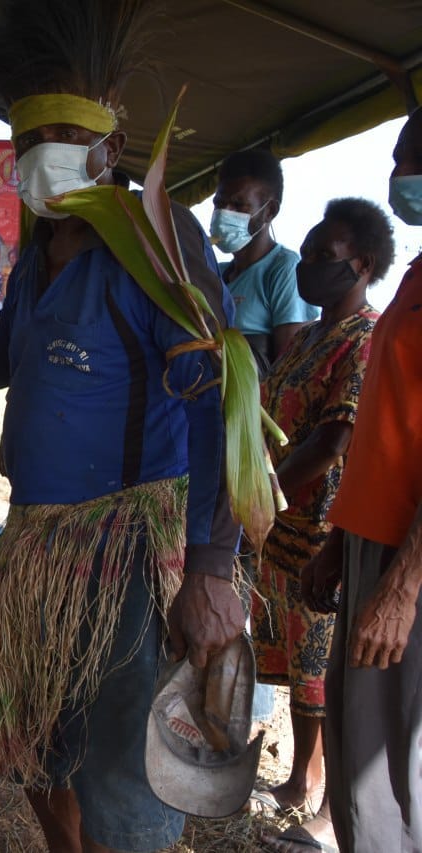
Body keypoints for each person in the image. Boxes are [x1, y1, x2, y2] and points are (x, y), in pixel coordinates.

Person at [0, 4, 243, 851]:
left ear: (113, 141)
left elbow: (216, 403)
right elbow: (4, 361)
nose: (51, 153)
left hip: (127, 550)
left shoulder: (154, 239)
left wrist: (211, 566)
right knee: (33, 746)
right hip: (37, 546)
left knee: (123, 775)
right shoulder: (37, 256)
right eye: (35, 137)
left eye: (70, 134)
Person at [248, 199, 393, 853]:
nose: (306, 265)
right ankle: (299, 780)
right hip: (281, 526)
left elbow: (335, 439)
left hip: (322, 530)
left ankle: (331, 804)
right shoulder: (307, 336)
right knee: (294, 665)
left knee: (324, 673)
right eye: (304, 252)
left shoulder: (365, 338)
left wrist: (269, 489)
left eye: (323, 256)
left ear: (362, 265)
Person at [302, 107, 422, 853]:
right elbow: (389, 431)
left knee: (392, 781)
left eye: (412, 158)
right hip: (369, 546)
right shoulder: (416, 277)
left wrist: (404, 587)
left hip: (407, 561)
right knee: (357, 763)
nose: (398, 175)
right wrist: (338, 544)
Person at [211, 148, 318, 375]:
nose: (224, 212)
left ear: (270, 211)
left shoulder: (284, 269)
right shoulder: (215, 274)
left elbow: (290, 365)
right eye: (219, 203)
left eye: (238, 205)